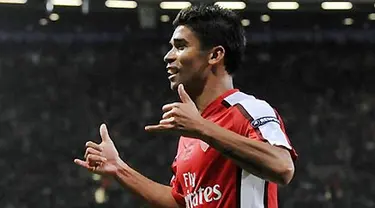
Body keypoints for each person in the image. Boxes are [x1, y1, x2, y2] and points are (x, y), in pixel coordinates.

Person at [74, 3, 297, 208]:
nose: (168, 56)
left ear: (215, 55)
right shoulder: (190, 131)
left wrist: (201, 128)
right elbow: (182, 202)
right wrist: (119, 169)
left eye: (180, 47)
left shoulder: (249, 109)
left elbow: (282, 167)